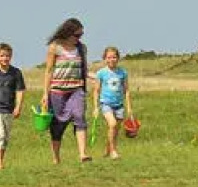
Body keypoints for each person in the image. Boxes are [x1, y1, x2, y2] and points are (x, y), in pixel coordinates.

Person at [39, 18, 90, 164]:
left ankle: (83, 154)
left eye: (81, 35)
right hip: (57, 91)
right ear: (67, 33)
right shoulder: (55, 47)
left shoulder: (82, 48)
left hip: (76, 89)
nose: (79, 38)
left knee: (79, 117)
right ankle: (56, 157)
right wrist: (45, 94)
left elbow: (84, 69)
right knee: (58, 124)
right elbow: (48, 71)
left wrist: (94, 77)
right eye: (77, 35)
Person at [91, 46, 134, 160]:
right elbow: (96, 91)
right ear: (105, 59)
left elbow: (126, 91)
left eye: (114, 57)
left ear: (118, 58)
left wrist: (129, 107)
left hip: (119, 105)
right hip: (106, 104)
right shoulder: (101, 73)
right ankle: (113, 151)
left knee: (115, 130)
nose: (111, 59)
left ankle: (108, 148)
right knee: (112, 124)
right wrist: (95, 107)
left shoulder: (123, 73)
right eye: (109, 57)